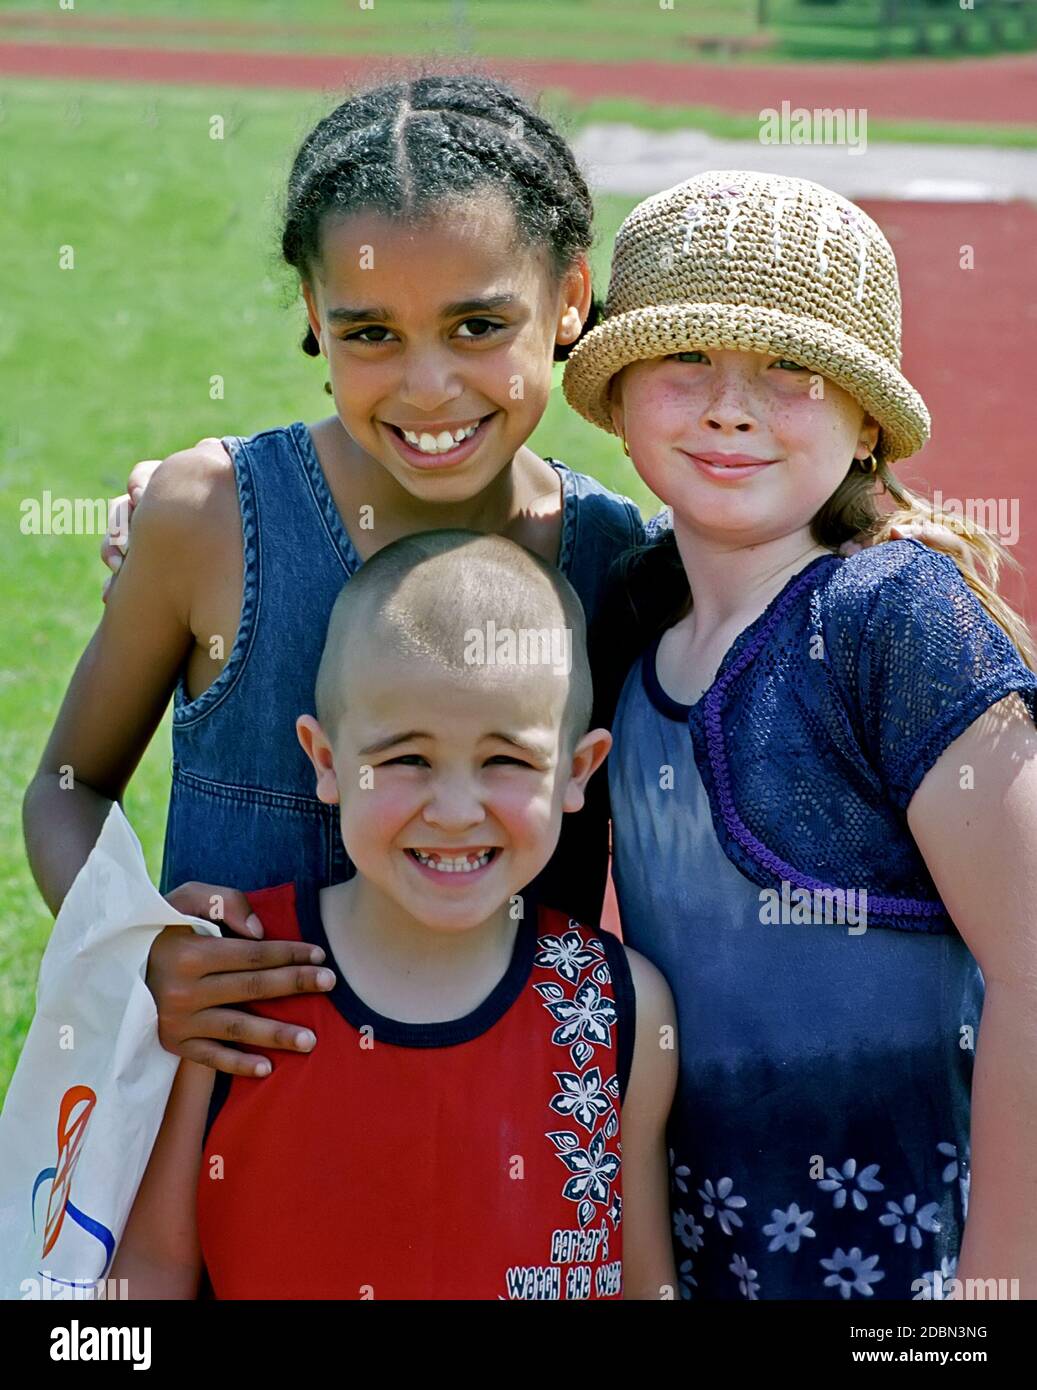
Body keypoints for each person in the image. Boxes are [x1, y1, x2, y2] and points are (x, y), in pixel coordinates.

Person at [23, 74, 653, 1080]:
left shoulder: (618, 562)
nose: (428, 385)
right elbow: (67, 787)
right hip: (231, 1147)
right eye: (370, 333)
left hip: (506, 1161)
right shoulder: (211, 518)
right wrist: (142, 946)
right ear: (315, 313)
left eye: (477, 327)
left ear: (569, 297)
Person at [561, 169, 1037, 1300]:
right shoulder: (626, 608)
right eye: (685, 362)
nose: (730, 407)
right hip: (704, 1250)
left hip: (906, 1272)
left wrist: (993, 1297)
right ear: (617, 394)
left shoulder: (893, 617)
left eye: (789, 371)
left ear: (867, 420)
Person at [110, 531, 678, 1300]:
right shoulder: (233, 978)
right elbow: (150, 1272)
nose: (452, 811)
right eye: (407, 759)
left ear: (578, 772)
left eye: (505, 760)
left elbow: (643, 1284)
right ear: (326, 761)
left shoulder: (620, 1008)